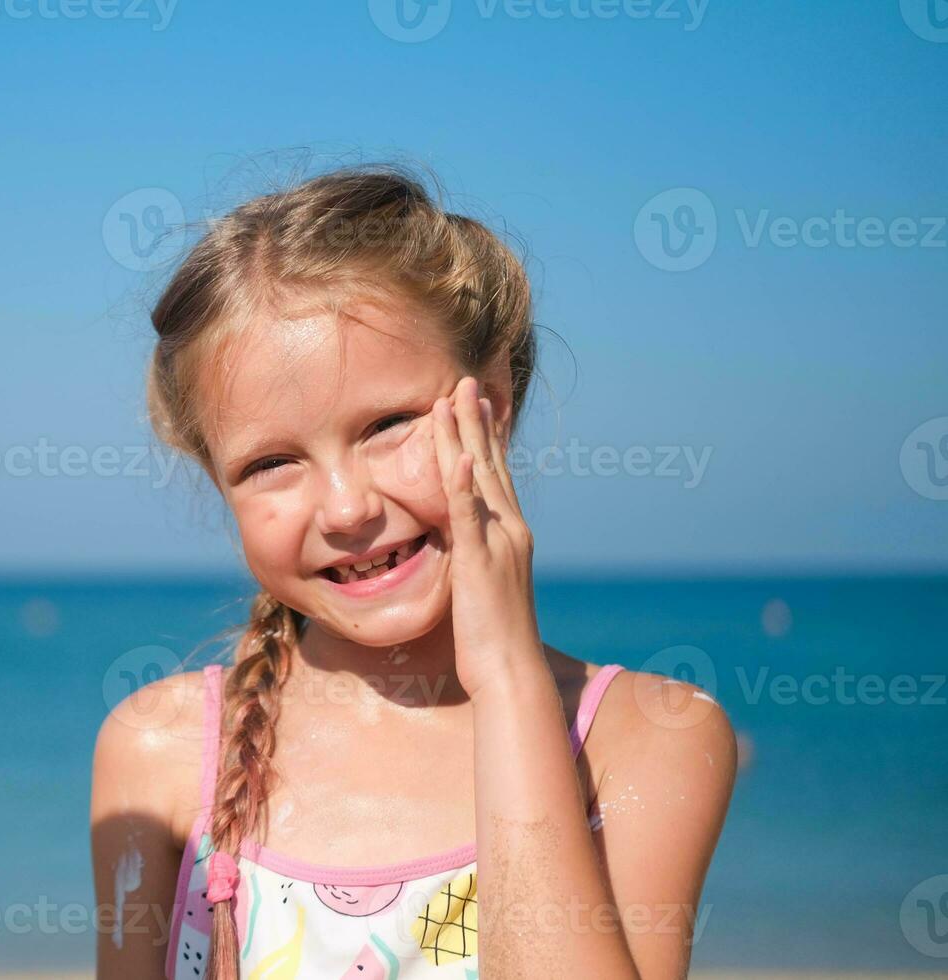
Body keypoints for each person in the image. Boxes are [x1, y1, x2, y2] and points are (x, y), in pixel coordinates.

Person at [90, 163, 737, 979]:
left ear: (492, 406)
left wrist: (507, 680)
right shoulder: (161, 754)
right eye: (270, 464)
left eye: (388, 424)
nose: (345, 506)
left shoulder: (644, 740)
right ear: (217, 481)